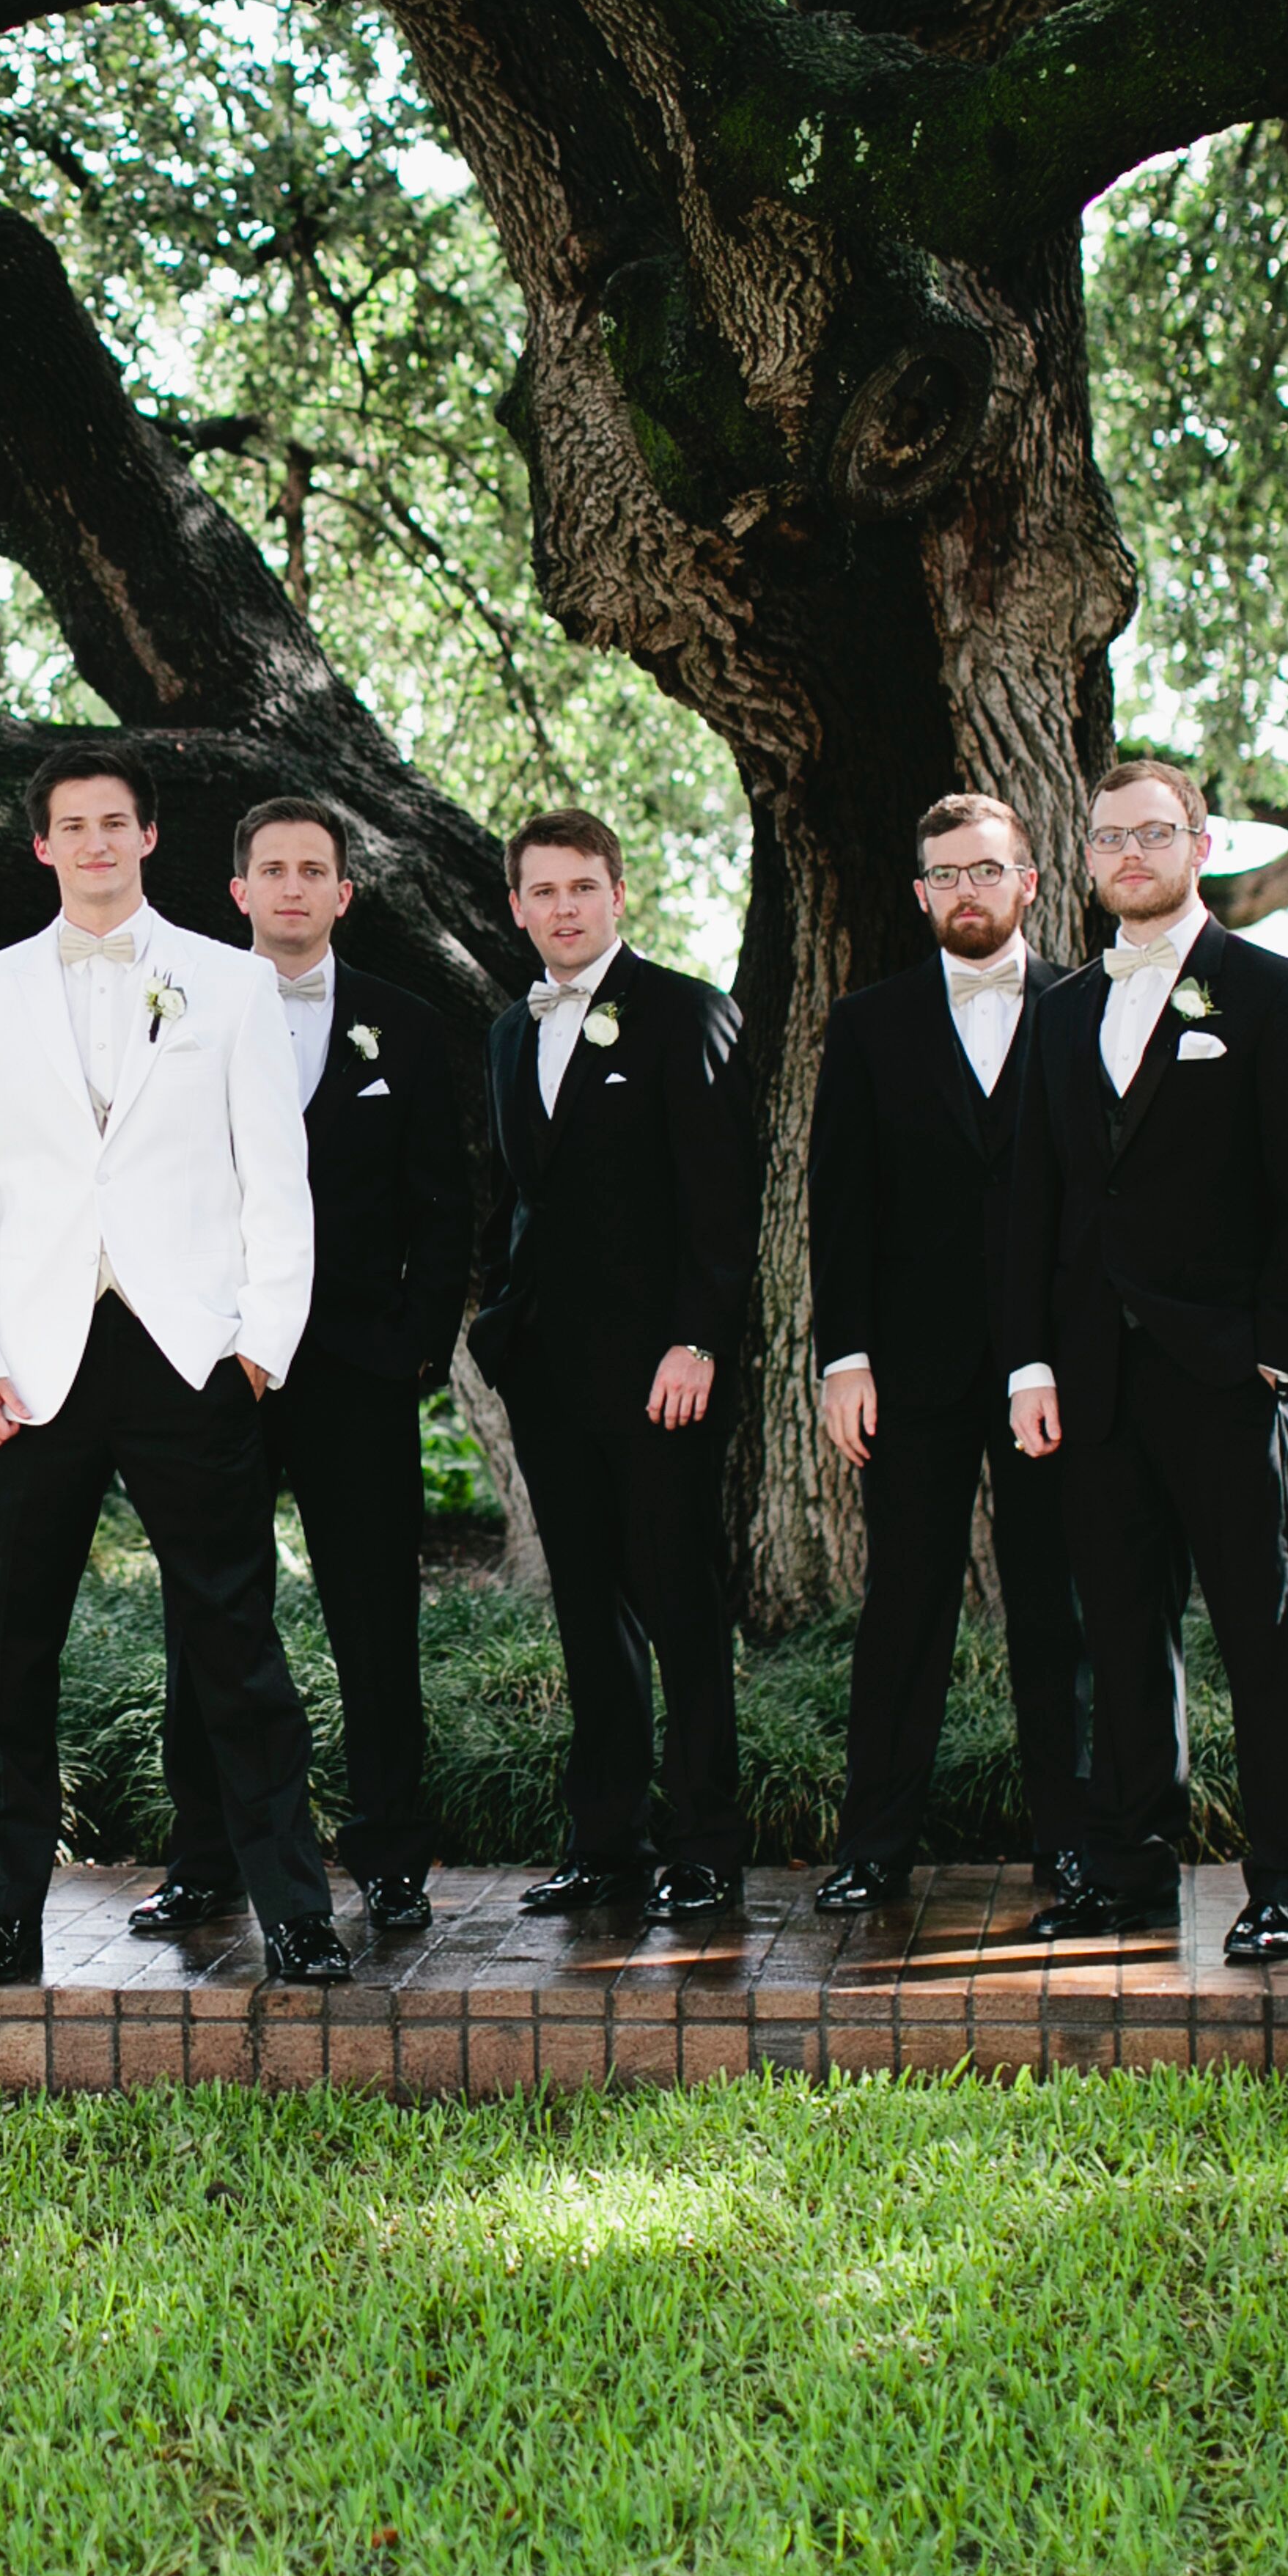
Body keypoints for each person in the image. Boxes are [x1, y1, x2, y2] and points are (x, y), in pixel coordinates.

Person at [0, 742, 349, 1987]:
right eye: (73, 825)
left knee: (237, 1647)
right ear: (43, 846)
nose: (97, 843)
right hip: (33, 1367)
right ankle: (1, 1916)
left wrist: (259, 1344)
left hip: (189, 1360)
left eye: (117, 822)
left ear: (150, 838)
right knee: (11, 1657)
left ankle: (298, 1913)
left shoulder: (228, 984)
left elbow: (280, 1179)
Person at [1005, 759, 1288, 1962]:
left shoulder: (1272, 994)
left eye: (1156, 833)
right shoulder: (1057, 1015)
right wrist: (1030, 1366)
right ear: (1090, 856)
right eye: (1111, 837)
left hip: (1227, 1376)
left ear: (1200, 844)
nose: (1132, 855)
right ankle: (1127, 1870)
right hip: (1092, 1379)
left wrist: (1279, 1359)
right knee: (1119, 1635)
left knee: (1263, 1632)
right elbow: (1036, 1206)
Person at [136, 794, 469, 1942]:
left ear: (343, 892)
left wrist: (411, 1345)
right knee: (211, 1620)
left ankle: (392, 1858)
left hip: (356, 1374)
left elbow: (447, 1203)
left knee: (375, 1620)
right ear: (236, 891)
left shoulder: (408, 1026)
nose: (290, 885)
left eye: (312, 868)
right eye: (269, 866)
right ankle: (206, 1856)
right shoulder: (170, 1015)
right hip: (217, 1367)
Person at [806, 793, 1093, 1912]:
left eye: (986, 870)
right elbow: (842, 1205)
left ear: (1028, 879)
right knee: (906, 1602)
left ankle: (1069, 1842)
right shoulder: (869, 1023)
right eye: (945, 874)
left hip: (1052, 1370)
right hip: (910, 1370)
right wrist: (846, 1356)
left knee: (1052, 1602)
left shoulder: (1091, 1004)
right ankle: (873, 1846)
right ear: (921, 891)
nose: (966, 891)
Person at [469, 810, 751, 1927]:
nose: (565, 908)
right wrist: (501, 1324)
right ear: (518, 907)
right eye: (544, 891)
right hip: (548, 1370)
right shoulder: (506, 1032)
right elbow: (516, 1193)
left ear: (618, 893)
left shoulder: (686, 1011)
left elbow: (724, 1199)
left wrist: (700, 1339)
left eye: (583, 886)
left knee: (680, 1604)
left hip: (662, 1373)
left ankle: (706, 1846)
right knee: (586, 1608)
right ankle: (606, 1844)